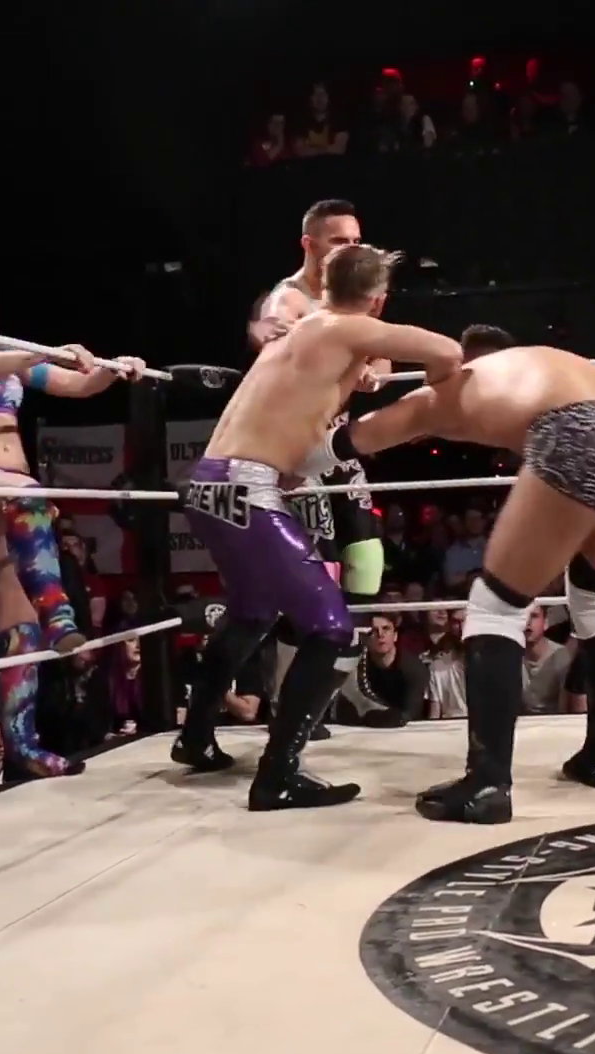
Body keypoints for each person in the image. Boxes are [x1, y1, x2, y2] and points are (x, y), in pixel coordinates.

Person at [293, 327, 595, 824]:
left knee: (494, 606)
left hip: (581, 433)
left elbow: (355, 439)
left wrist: (285, 462)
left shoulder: (452, 388)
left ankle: (487, 784)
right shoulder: (553, 364)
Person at [172, 243, 462, 811]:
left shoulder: (297, 335)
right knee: (332, 630)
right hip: (248, 489)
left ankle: (196, 735)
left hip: (207, 482)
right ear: (378, 300)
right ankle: (278, 774)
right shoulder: (348, 328)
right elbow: (447, 351)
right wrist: (439, 389)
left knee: (253, 612)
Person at [0, 254, 147, 777]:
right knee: (29, 495)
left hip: (15, 501)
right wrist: (33, 353)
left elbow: (76, 386)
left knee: (17, 621)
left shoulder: (4, 352)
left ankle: (22, 743)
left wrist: (111, 369)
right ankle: (58, 611)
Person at [254, 200, 394, 737]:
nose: (350, 249)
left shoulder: (356, 293)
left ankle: (349, 686)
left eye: (356, 240)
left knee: (367, 565)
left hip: (339, 447)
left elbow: (383, 354)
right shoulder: (289, 298)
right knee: (318, 578)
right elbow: (276, 338)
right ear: (309, 245)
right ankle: (288, 701)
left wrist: (373, 371)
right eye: (339, 241)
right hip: (297, 447)